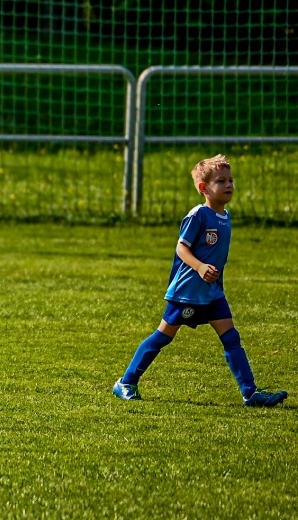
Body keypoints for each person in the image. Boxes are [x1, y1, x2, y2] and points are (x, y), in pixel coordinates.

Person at [114, 154, 286, 406]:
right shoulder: (198, 215)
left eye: (230, 180)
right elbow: (181, 248)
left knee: (231, 338)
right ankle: (126, 382)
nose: (228, 185)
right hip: (188, 292)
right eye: (221, 181)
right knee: (163, 336)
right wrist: (200, 266)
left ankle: (251, 394)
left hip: (212, 292)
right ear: (204, 188)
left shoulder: (225, 216)